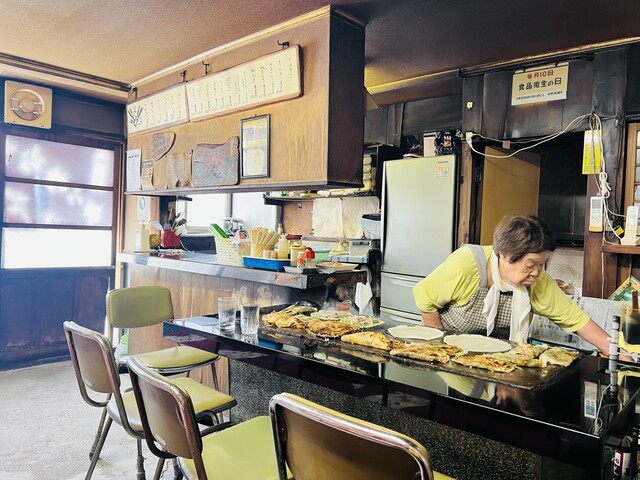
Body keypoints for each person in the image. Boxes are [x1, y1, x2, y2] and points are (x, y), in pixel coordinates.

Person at [413, 214, 618, 356]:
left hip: (498, 356)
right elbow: (424, 299)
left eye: (542, 264)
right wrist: (440, 347)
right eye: (530, 265)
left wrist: (617, 352)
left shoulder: (538, 280)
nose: (536, 272)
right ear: (505, 255)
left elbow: (577, 320)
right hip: (451, 350)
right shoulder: (466, 264)